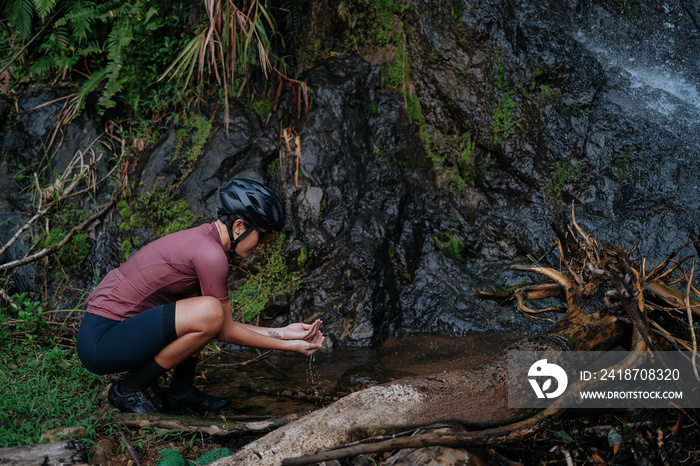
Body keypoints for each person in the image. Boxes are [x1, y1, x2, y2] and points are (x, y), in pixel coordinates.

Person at [77, 178, 324, 414]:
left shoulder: (205, 242)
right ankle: (128, 389)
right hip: (102, 342)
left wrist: (283, 331)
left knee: (207, 311)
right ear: (239, 226)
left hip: (112, 335)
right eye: (263, 235)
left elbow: (220, 325)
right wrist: (287, 345)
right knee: (210, 311)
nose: (262, 245)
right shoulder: (211, 255)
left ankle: (181, 391)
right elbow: (222, 328)